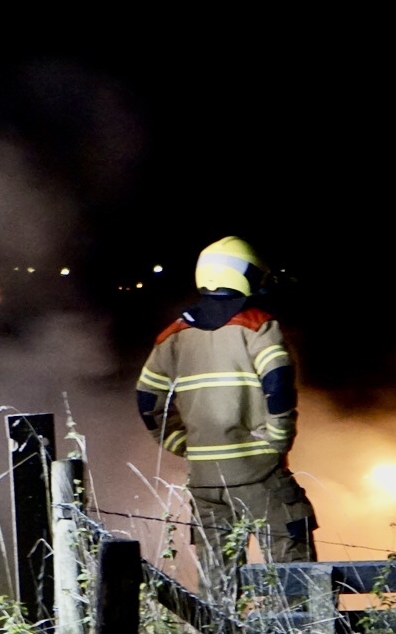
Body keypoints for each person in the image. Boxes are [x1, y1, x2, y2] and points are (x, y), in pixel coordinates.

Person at [136, 236, 317, 602]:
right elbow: (278, 384)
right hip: (258, 473)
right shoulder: (258, 327)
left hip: (204, 479)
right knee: (295, 576)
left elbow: (147, 400)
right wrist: (276, 441)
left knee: (217, 586)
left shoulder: (174, 336)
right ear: (247, 276)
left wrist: (181, 445)